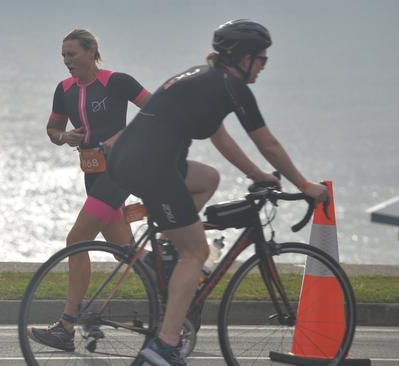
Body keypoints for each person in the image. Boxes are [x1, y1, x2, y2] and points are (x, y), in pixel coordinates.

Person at [107, 19, 330, 366]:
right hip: (153, 167)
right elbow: (267, 143)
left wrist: (256, 175)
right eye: (262, 59)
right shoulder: (232, 87)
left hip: (142, 159)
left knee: (207, 178)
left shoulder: (206, 78)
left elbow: (219, 136)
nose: (263, 67)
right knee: (195, 251)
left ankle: (166, 251)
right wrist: (305, 185)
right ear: (243, 57)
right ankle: (164, 346)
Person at [29, 29, 152, 351]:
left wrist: (122, 137)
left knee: (76, 241)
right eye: (64, 56)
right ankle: (177, 288)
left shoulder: (117, 82)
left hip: (118, 172)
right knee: (126, 249)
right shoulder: (65, 90)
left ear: (92, 50)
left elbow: (155, 112)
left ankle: (66, 325)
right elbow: (52, 129)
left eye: (73, 54)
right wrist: (63, 137)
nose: (67, 61)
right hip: (92, 173)